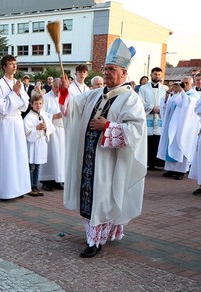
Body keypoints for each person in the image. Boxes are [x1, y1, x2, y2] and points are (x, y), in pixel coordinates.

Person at [59, 38, 147, 258]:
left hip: (111, 162)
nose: (107, 73)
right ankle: (94, 237)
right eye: (106, 68)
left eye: (112, 69)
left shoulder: (130, 99)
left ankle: (96, 241)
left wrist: (106, 126)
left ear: (124, 73)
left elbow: (136, 130)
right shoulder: (96, 94)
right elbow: (72, 107)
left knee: (105, 198)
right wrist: (62, 90)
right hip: (89, 160)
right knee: (93, 198)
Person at [0, 55, 31, 200]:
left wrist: (17, 94)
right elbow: (2, 108)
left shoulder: (17, 83)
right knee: (7, 155)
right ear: (4, 67)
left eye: (15, 64)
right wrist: (14, 94)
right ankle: (6, 190)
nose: (14, 66)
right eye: (11, 64)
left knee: (19, 154)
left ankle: (19, 188)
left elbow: (26, 104)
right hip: (6, 123)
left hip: (17, 122)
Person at [157, 78, 200, 180]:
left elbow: (188, 105)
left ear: (192, 84)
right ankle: (171, 169)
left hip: (184, 128)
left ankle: (181, 171)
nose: (184, 85)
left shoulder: (194, 96)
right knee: (171, 145)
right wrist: (168, 92)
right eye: (182, 83)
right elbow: (166, 105)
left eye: (187, 83)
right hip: (173, 126)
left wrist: (181, 91)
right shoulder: (178, 95)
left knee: (181, 145)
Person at [24, 93, 54, 196]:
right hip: (32, 145)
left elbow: (51, 127)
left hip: (40, 144)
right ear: (31, 104)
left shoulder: (44, 114)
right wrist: (36, 128)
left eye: (40, 103)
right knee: (31, 166)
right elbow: (26, 131)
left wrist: (46, 128)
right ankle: (29, 186)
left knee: (37, 166)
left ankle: (35, 186)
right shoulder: (28, 117)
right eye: (36, 103)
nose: (38, 105)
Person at [138, 67, 168, 171]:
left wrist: (161, 108)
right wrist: (152, 108)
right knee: (149, 141)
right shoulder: (143, 88)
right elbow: (140, 102)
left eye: (159, 74)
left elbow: (168, 102)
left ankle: (158, 163)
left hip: (160, 117)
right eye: (155, 74)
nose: (157, 76)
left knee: (158, 141)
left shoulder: (165, 88)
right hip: (149, 116)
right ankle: (149, 163)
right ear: (151, 75)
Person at [40, 78, 65, 191]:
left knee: (60, 156)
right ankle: (47, 180)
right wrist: (54, 116)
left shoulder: (64, 97)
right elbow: (41, 113)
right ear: (51, 86)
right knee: (50, 156)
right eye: (56, 87)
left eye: (60, 87)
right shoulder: (46, 98)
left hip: (62, 130)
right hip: (51, 131)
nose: (58, 90)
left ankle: (57, 179)